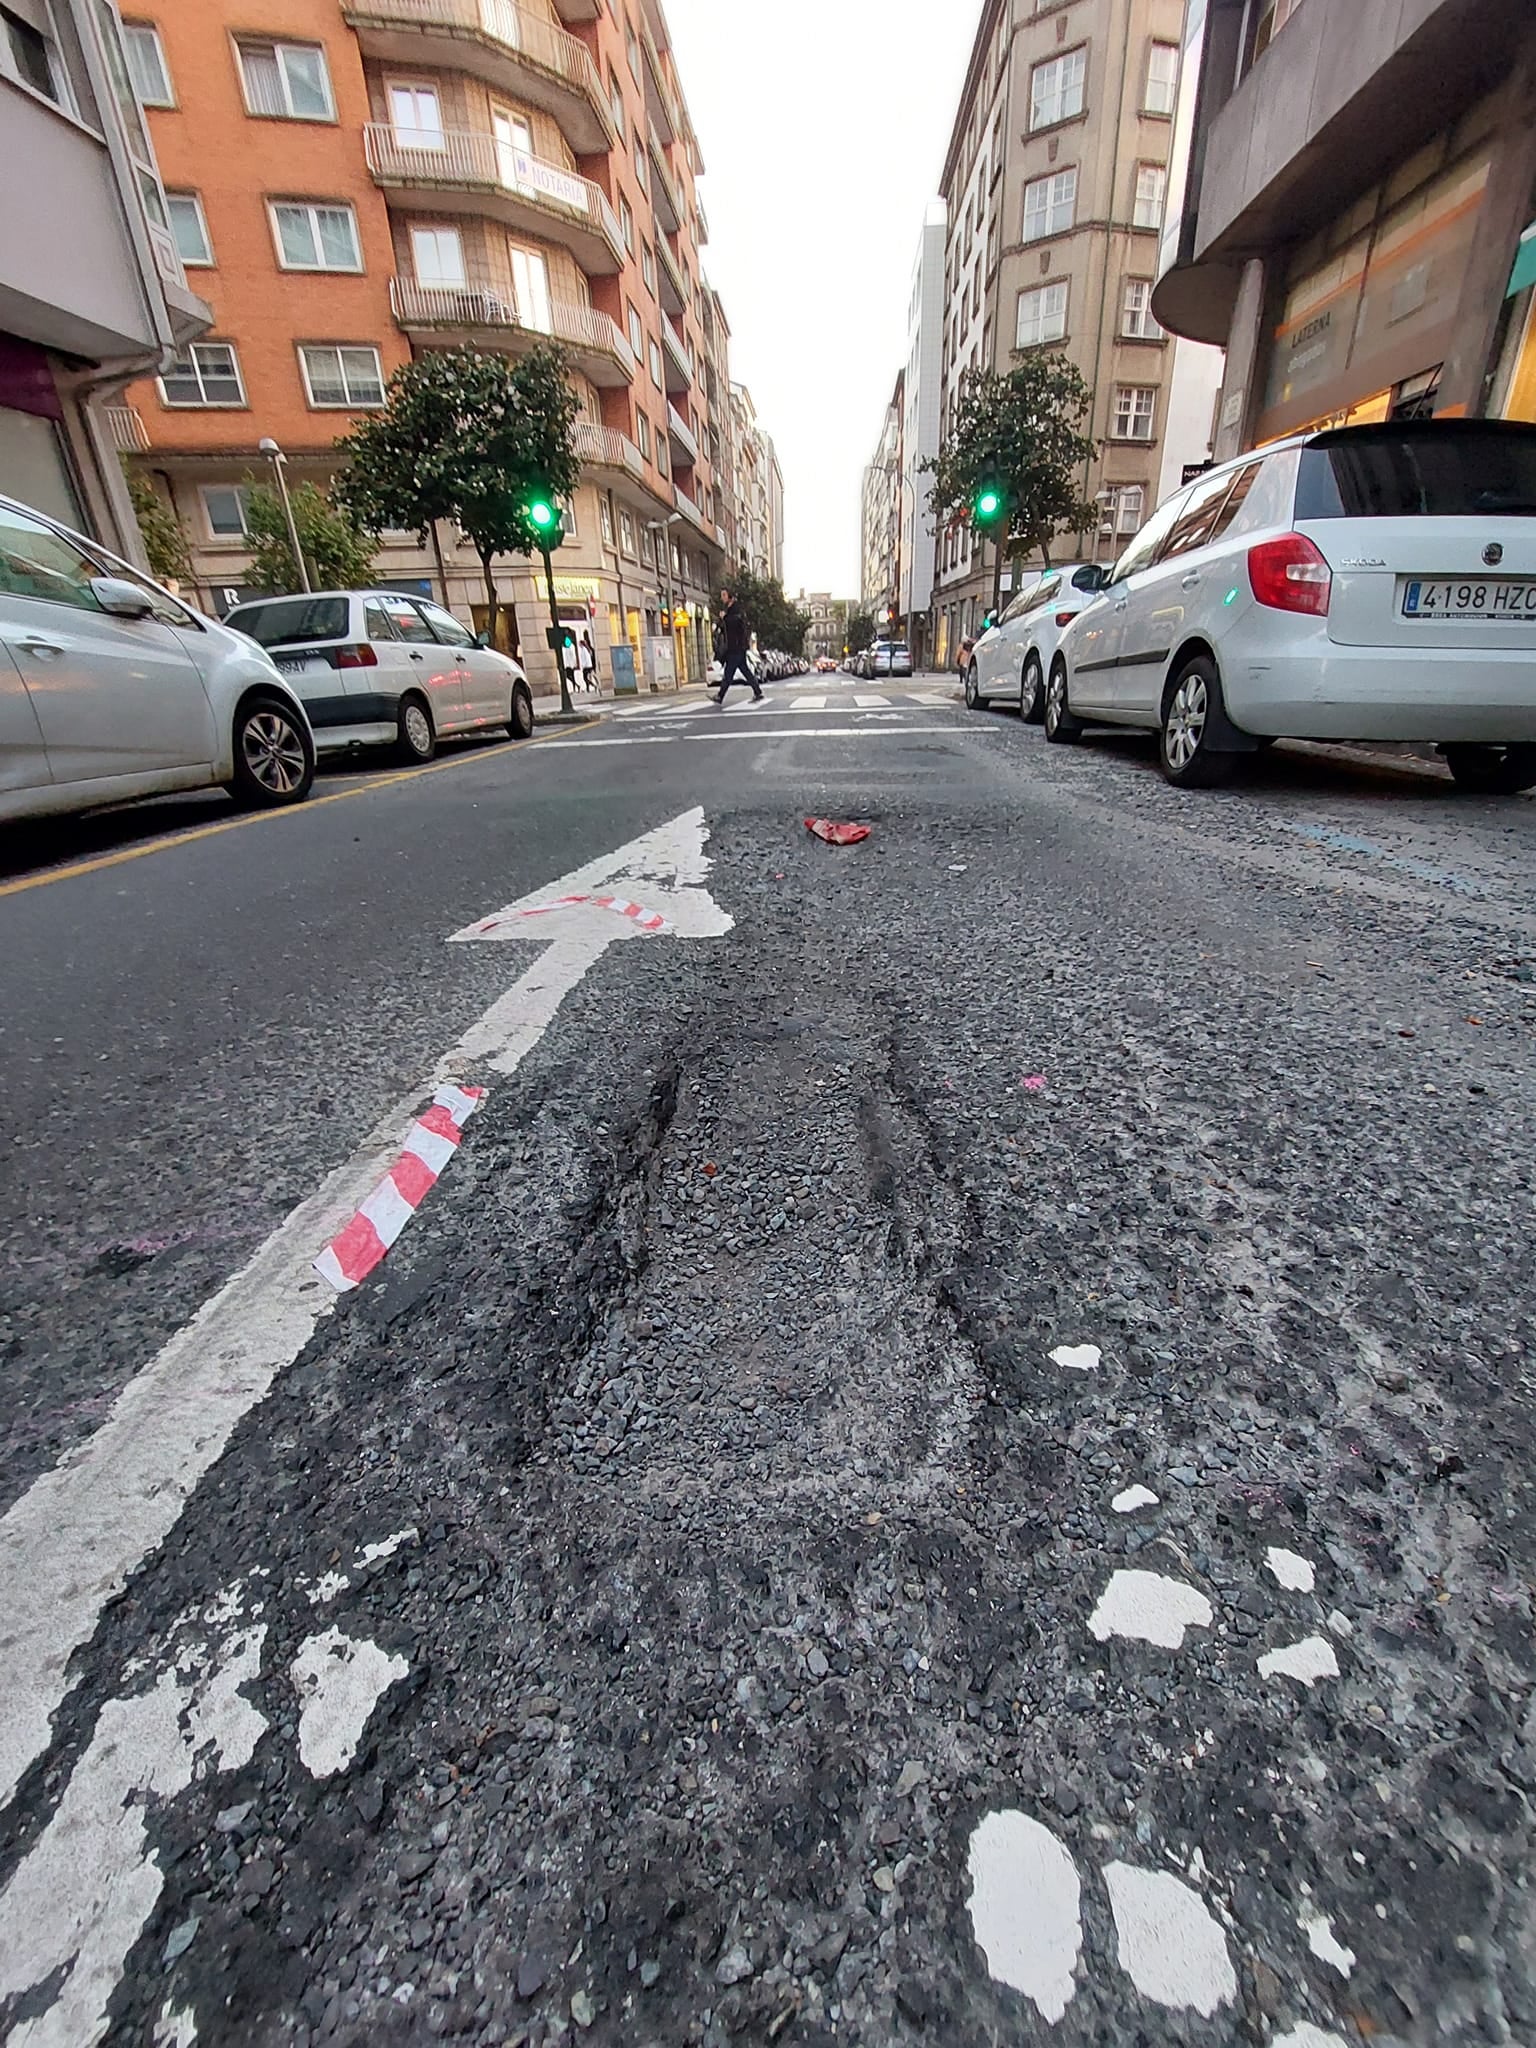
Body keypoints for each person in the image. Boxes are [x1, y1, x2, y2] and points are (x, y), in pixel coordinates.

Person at [713, 585, 762, 704]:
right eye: (722, 595)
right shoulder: (728, 609)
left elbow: (735, 624)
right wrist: (721, 620)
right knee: (745, 671)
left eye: (724, 595)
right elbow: (725, 627)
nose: (722, 598)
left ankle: (720, 696)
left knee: (728, 674)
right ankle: (758, 691)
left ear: (730, 596)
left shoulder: (736, 609)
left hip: (736, 647)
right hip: (736, 647)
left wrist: (725, 618)